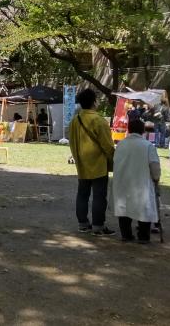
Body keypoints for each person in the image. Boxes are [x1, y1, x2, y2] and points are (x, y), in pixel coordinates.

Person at [68, 88, 116, 236]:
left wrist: (77, 158)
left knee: (82, 194)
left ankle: (83, 224)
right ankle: (98, 226)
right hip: (98, 164)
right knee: (99, 196)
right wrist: (114, 160)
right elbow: (108, 145)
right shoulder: (98, 120)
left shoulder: (75, 120)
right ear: (94, 102)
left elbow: (71, 142)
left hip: (82, 163)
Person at [112, 119, 161, 244]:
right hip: (141, 181)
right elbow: (154, 165)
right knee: (144, 207)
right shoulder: (147, 146)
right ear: (143, 130)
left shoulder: (121, 145)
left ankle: (126, 234)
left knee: (123, 207)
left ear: (129, 129)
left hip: (122, 180)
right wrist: (156, 178)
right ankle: (143, 236)